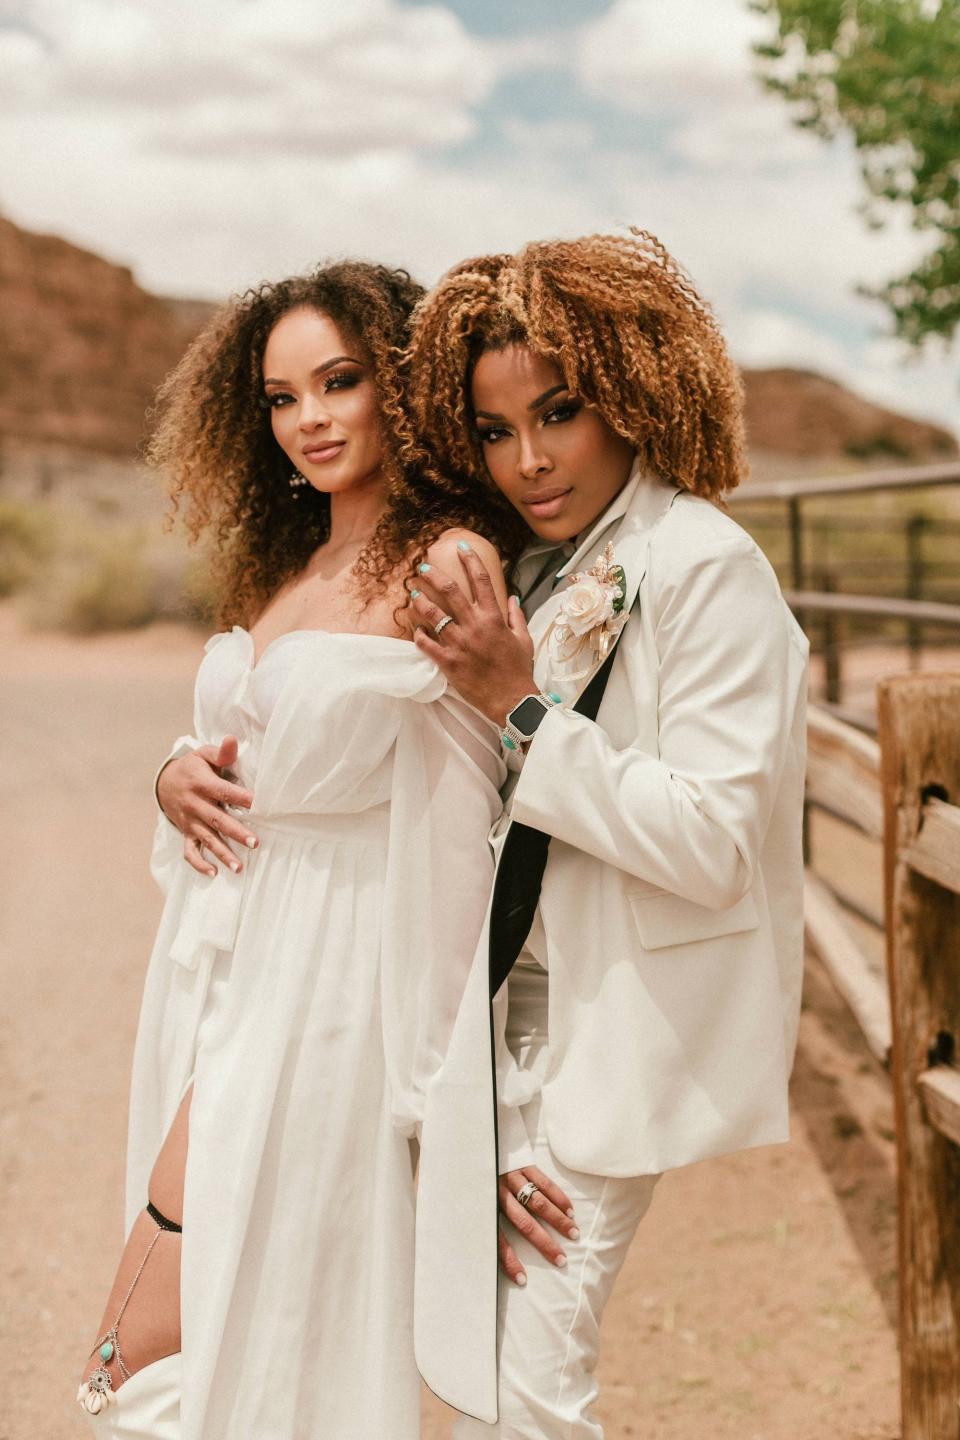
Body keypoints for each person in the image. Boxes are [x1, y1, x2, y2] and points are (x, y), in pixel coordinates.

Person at [75, 260, 524, 1440]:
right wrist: (173, 770)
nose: (311, 418)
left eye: (340, 381)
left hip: (336, 978)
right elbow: (256, 738)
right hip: (225, 953)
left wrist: (453, 1090)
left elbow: (460, 819)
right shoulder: (288, 564)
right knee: (195, 1315)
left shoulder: (451, 562)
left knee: (222, 1324)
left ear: (401, 388)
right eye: (282, 397)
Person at [406, 229, 810, 1437]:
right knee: (478, 1368)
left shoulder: (705, 568)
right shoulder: (535, 566)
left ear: (634, 391)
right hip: (500, 1031)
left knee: (531, 1390)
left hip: (614, 1035)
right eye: (493, 430)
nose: (528, 460)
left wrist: (518, 707)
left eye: (560, 412)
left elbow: (713, 841)